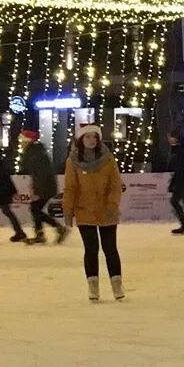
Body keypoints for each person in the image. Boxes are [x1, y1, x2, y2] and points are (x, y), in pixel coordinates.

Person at [63, 123, 125, 301]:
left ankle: (116, 284)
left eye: (94, 137)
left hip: (107, 211)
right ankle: (93, 286)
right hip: (85, 212)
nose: (91, 140)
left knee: (110, 248)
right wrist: (68, 211)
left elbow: (115, 185)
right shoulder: (72, 161)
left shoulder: (108, 160)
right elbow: (70, 188)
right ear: (81, 140)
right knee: (91, 249)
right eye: (87, 137)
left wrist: (112, 204)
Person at [19, 128, 67, 244]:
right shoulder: (34, 151)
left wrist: (37, 191)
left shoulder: (34, 153)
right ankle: (46, 232)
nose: (20, 142)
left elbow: (41, 173)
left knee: (35, 209)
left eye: (22, 140)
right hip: (45, 185)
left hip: (44, 186)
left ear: (28, 141)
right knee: (35, 209)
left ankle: (55, 230)